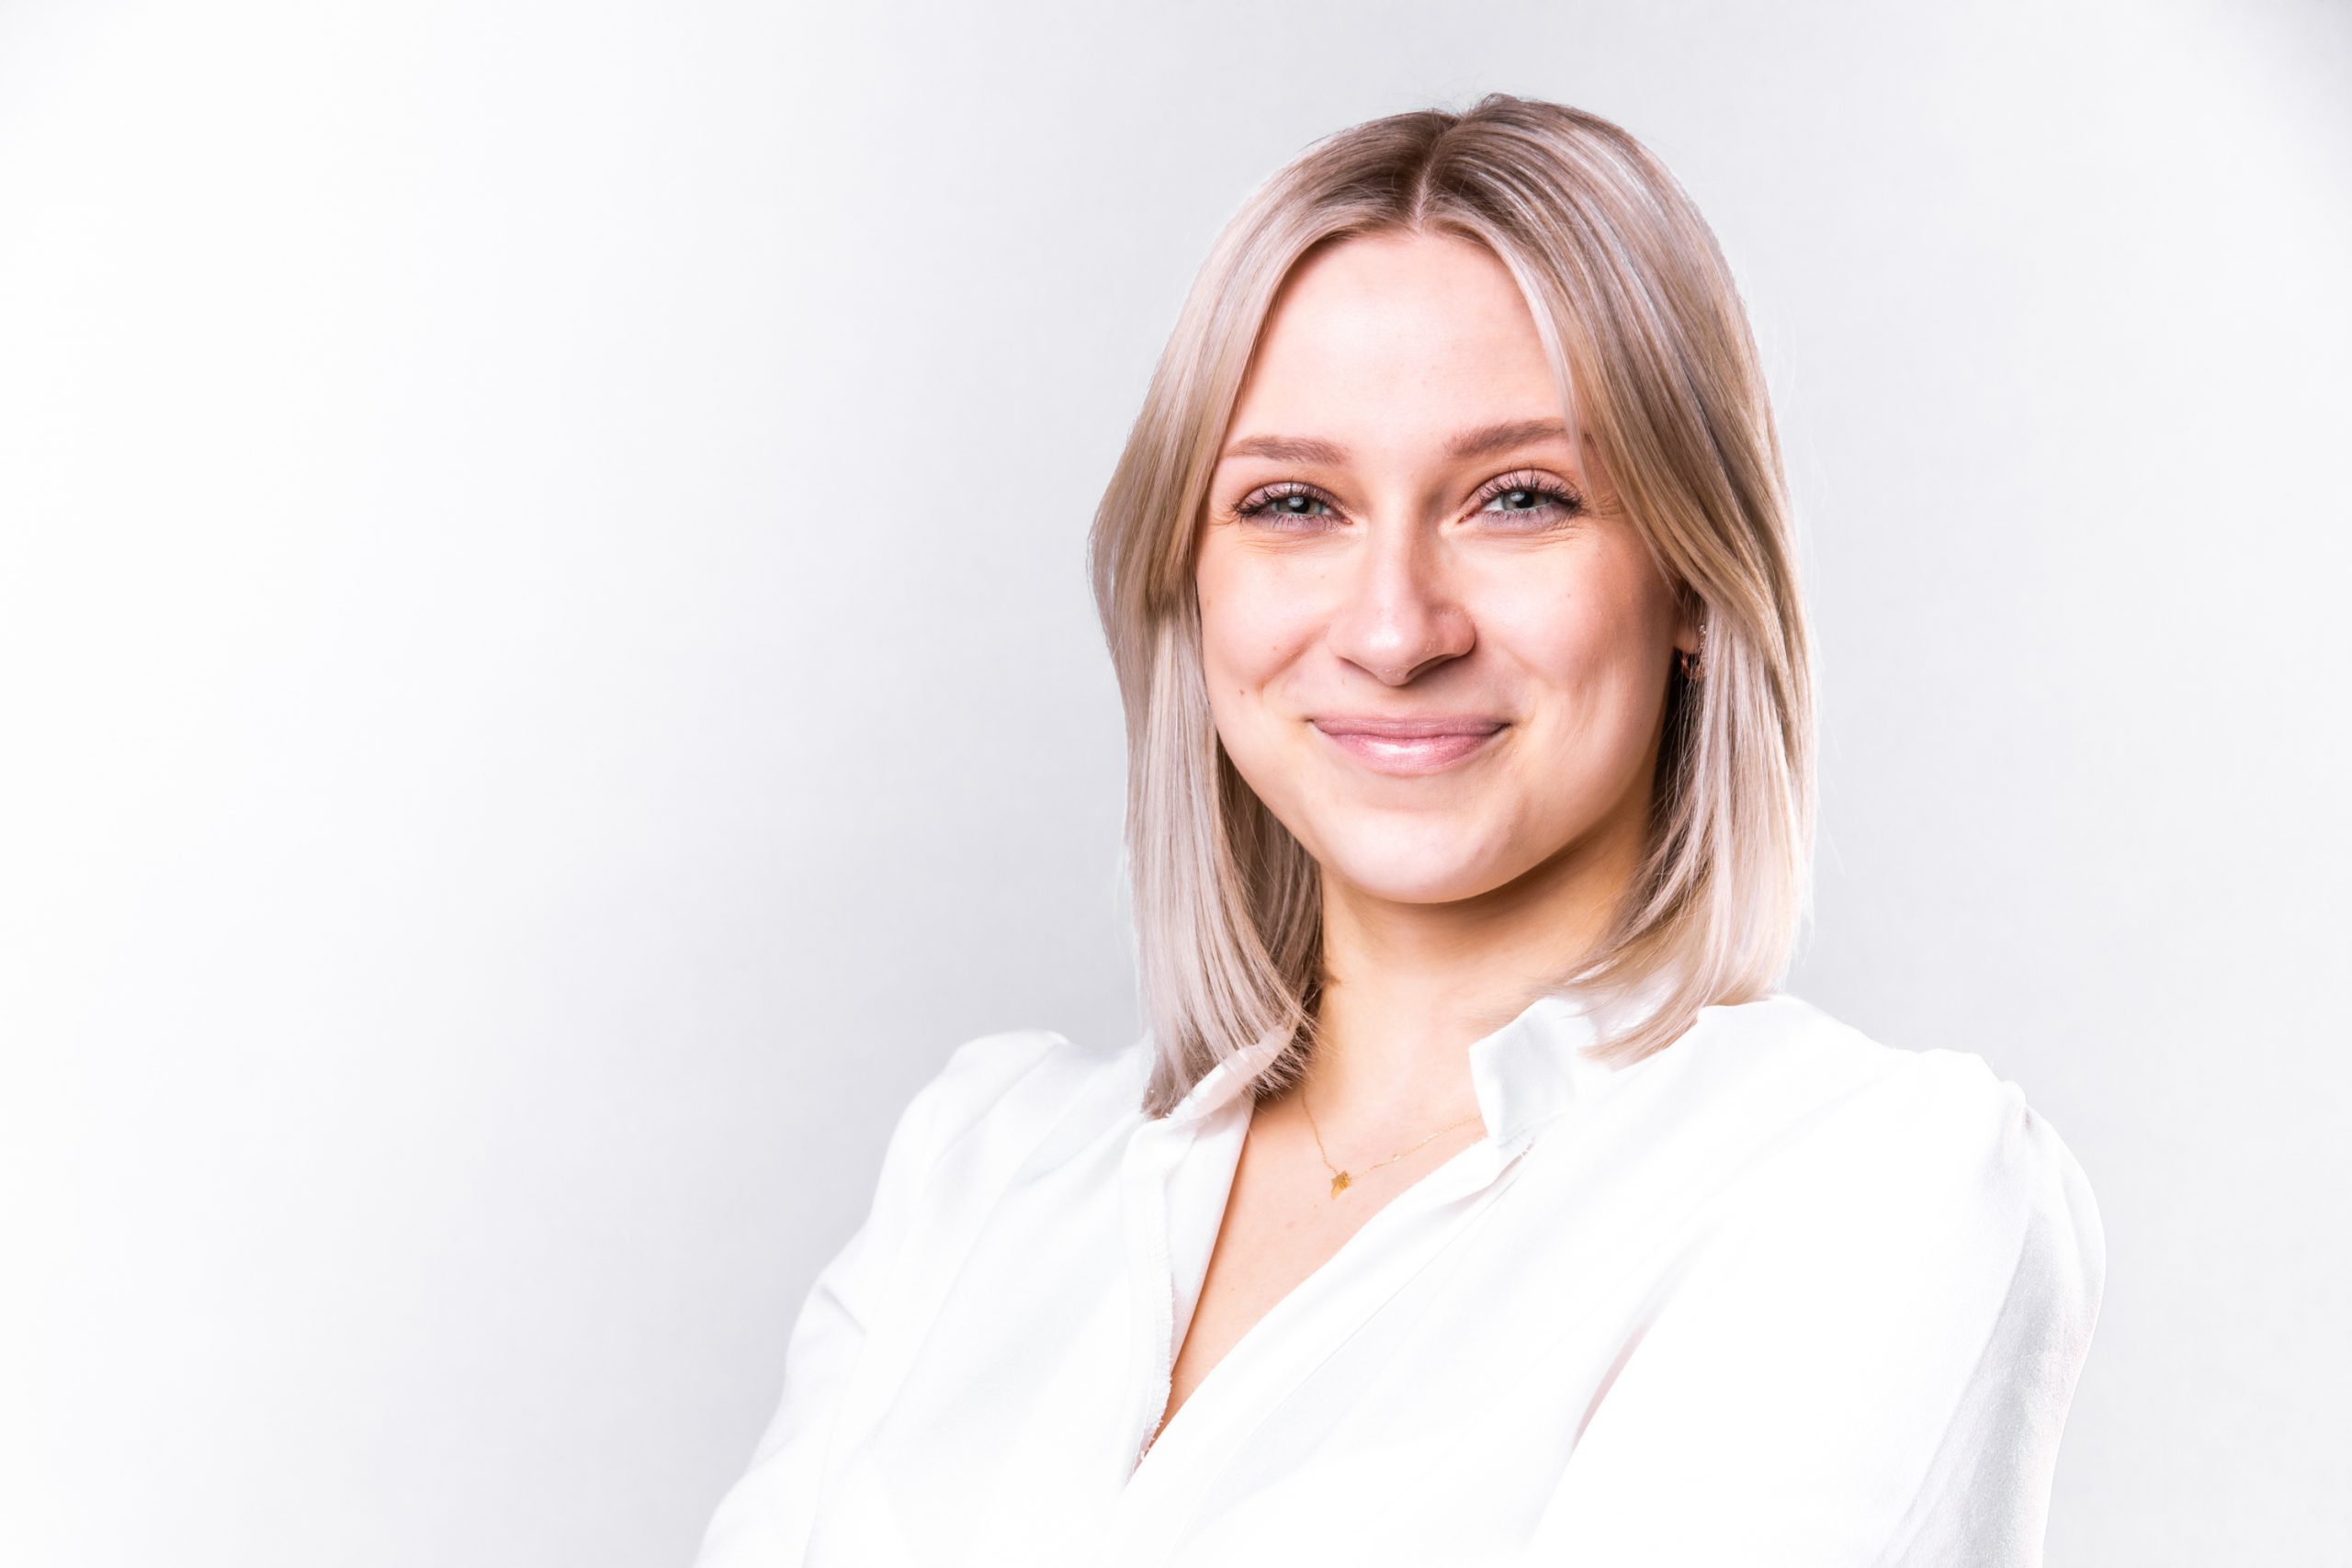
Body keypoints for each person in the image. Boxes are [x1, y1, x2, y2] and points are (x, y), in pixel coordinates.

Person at [691, 94, 2106, 1568]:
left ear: (1695, 579)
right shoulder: (982, 1168)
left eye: (1520, 499)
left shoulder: (1870, 1187)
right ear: (1191, 580)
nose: (1393, 629)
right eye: (1295, 503)